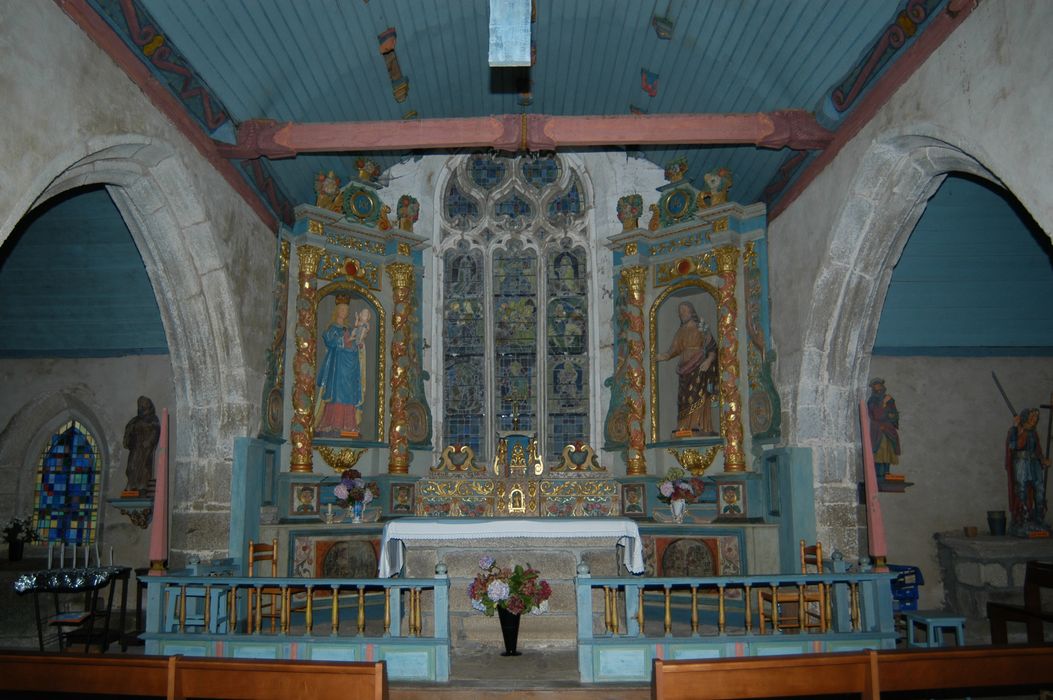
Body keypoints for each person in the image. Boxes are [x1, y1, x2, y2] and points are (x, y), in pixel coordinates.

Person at [655, 301, 718, 435]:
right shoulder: (681, 331)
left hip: (699, 366)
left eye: (684, 310)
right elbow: (673, 350)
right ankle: (684, 428)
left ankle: (699, 425)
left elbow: (712, 347)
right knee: (684, 399)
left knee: (697, 395)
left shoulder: (701, 328)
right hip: (684, 369)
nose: (681, 313)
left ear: (691, 311)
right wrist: (662, 356)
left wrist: (709, 360)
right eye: (680, 311)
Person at [315, 299, 370, 436]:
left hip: (350, 366)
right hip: (337, 366)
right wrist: (345, 340)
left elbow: (356, 342)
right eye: (343, 309)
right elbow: (331, 341)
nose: (345, 312)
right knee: (337, 393)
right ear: (337, 311)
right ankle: (333, 423)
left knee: (349, 393)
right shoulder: (332, 328)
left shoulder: (350, 328)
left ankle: (349, 424)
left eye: (347, 309)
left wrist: (360, 344)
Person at [1005, 407, 1051, 535]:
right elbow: (1014, 446)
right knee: (1022, 489)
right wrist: (1017, 429)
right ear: (1025, 418)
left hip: (1034, 462)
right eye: (1032, 417)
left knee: (1040, 488)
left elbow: (1037, 449)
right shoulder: (1015, 430)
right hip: (1021, 462)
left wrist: (1042, 460)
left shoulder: (1033, 433)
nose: (1034, 420)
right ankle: (1023, 519)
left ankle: (1039, 519)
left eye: (1036, 418)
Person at [123, 396, 161, 494]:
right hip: (136, 447)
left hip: (145, 449)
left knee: (144, 467)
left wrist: (149, 441)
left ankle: (142, 486)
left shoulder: (153, 419)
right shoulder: (135, 420)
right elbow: (129, 431)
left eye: (144, 405)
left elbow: (155, 432)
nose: (142, 407)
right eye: (140, 405)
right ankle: (131, 485)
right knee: (131, 466)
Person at [866, 378, 900, 479]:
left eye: (880, 387)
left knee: (889, 449)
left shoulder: (889, 399)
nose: (879, 389)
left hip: (888, 428)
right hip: (878, 429)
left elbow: (894, 414)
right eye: (876, 387)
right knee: (879, 449)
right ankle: (878, 473)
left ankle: (886, 472)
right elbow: (876, 415)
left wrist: (892, 415)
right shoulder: (872, 401)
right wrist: (883, 404)